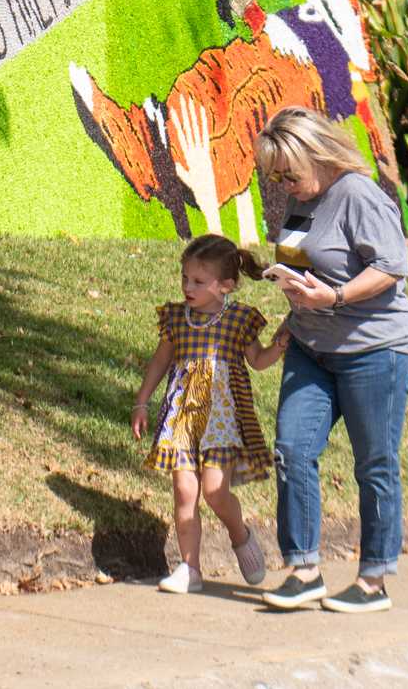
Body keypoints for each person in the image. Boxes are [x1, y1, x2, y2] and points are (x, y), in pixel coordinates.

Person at [254, 105, 408, 614]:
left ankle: (374, 581)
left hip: (375, 349)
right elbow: (302, 264)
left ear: (317, 154)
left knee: (374, 463)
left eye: (289, 172)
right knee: (292, 449)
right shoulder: (302, 202)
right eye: (274, 175)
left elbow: (391, 267)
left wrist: (336, 297)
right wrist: (290, 307)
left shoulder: (358, 195)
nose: (283, 183)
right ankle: (304, 571)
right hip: (310, 346)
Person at [131, 234, 290, 594]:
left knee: (216, 492)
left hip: (223, 420)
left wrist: (280, 343)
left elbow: (259, 361)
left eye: (198, 281)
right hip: (183, 418)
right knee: (184, 491)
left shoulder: (239, 320)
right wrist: (142, 401)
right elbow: (160, 363)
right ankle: (190, 568)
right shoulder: (176, 318)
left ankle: (240, 534)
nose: (188, 286)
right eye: (185, 278)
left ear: (226, 286)